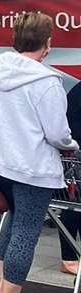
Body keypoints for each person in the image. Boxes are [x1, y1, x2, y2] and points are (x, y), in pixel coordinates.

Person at [0, 12, 78, 293]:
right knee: (26, 231)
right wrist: (72, 144)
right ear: (47, 44)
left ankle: (1, 288)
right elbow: (57, 134)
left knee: (11, 222)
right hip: (32, 167)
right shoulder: (48, 82)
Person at [61, 81, 81, 276]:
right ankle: (68, 258)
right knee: (73, 205)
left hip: (75, 151)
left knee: (74, 203)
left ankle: (71, 256)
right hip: (76, 154)